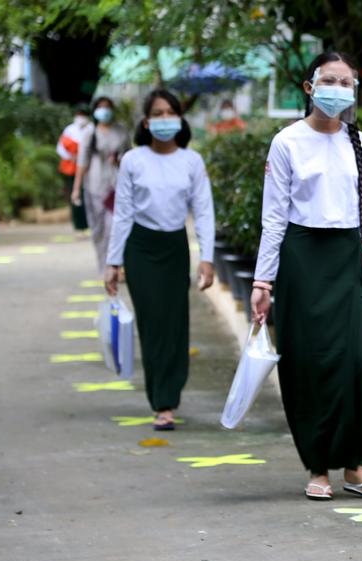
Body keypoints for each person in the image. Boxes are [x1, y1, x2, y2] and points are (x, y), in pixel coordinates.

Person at [250, 51, 362, 502]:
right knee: (309, 365)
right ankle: (318, 466)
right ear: (310, 87)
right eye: (329, 80)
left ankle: (356, 465)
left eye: (347, 82)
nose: (339, 89)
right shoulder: (286, 142)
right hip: (302, 261)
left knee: (361, 366)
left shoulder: (360, 143)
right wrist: (262, 281)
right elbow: (273, 218)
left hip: (349, 260)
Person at [105, 89, 215, 431]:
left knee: (175, 324)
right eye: (158, 113)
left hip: (174, 248)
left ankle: (171, 391)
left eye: (171, 112)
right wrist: (113, 261)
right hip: (140, 248)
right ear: (146, 121)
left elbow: (204, 212)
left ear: (180, 119)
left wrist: (206, 258)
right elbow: (122, 213)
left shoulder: (191, 161)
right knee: (152, 325)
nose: (165, 119)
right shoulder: (133, 160)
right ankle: (161, 403)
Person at [73, 96, 129, 274]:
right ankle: (105, 266)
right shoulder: (89, 133)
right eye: (101, 107)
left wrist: (119, 159)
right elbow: (82, 162)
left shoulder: (121, 131)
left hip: (117, 186)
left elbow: (130, 157)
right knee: (98, 229)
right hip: (94, 187)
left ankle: (117, 266)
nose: (105, 111)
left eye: (108, 107)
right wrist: (76, 188)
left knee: (115, 227)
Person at [57, 106, 90, 232]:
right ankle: (79, 226)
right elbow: (60, 148)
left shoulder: (91, 128)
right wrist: (73, 157)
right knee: (75, 196)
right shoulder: (69, 130)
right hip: (73, 167)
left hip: (88, 169)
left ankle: (90, 225)